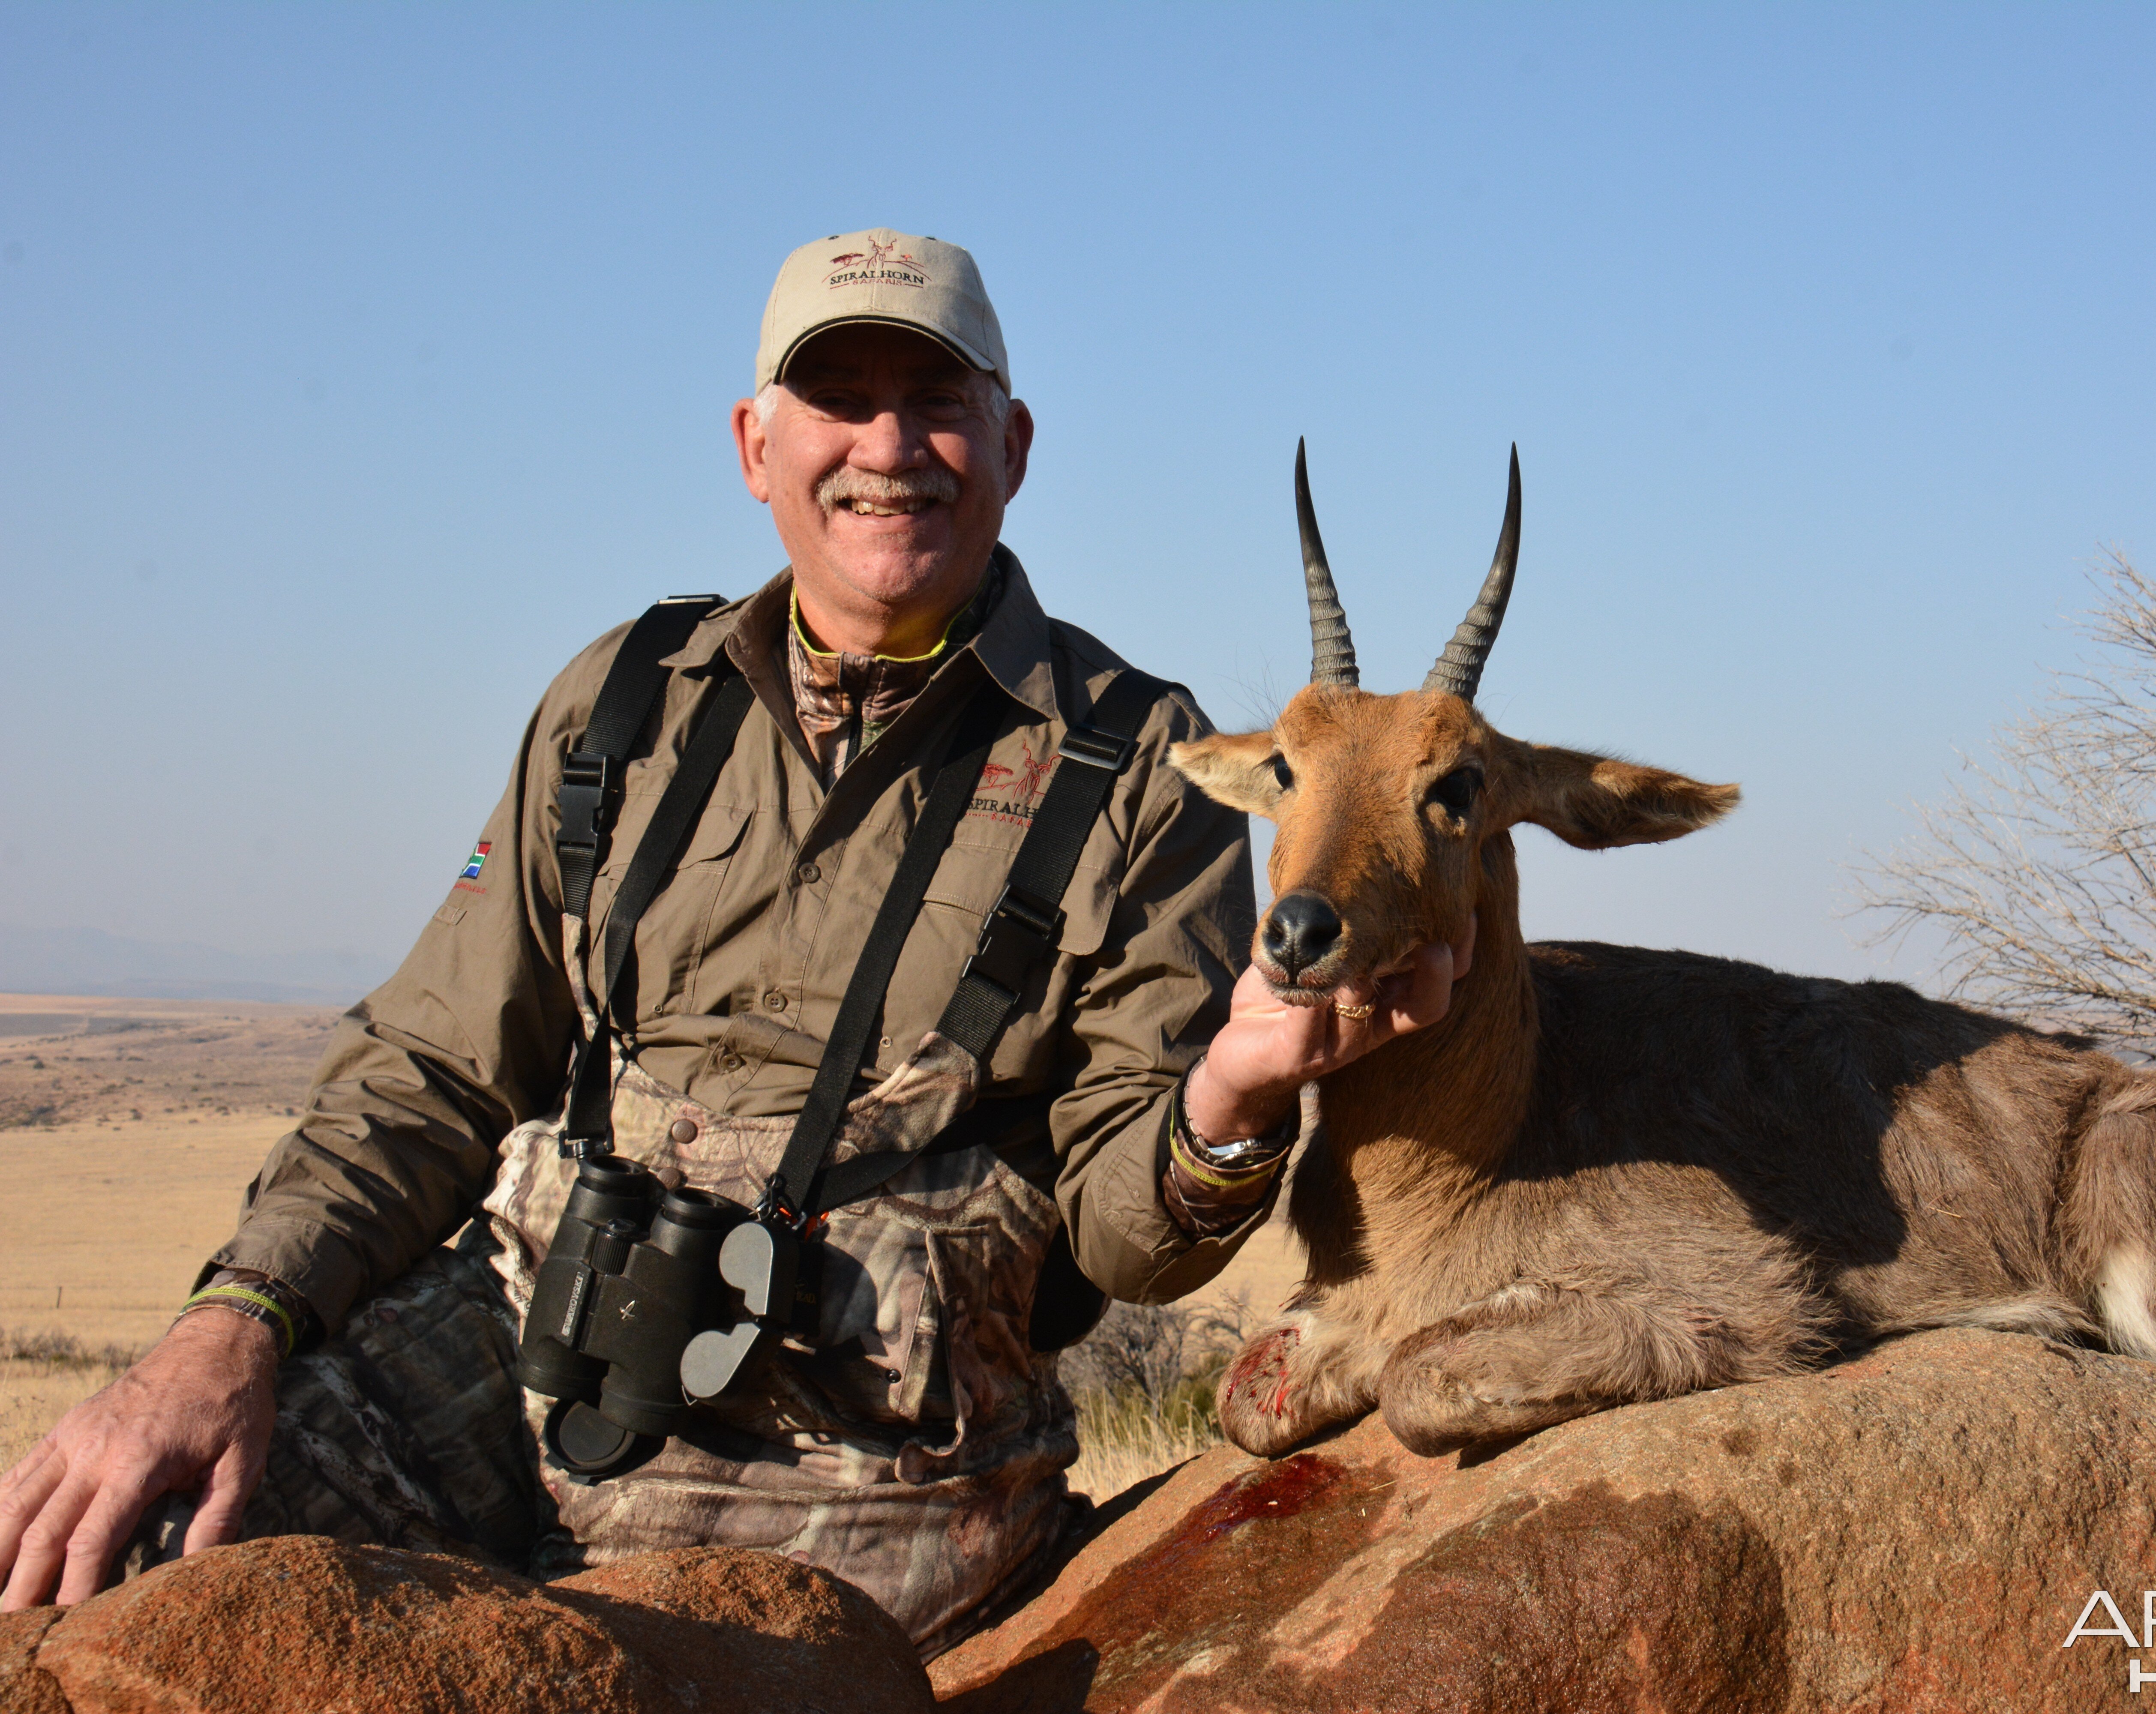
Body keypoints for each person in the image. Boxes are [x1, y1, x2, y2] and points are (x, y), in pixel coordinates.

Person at [0, 229, 1466, 1652]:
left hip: (868, 1458)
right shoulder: (623, 701)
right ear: (756, 447)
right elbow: (431, 1069)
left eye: (936, 403)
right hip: (533, 1357)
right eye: (840, 400)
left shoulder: (1143, 763)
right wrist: (231, 1324)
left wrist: (1232, 1101)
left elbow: (1122, 1243)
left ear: (1014, 445)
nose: (886, 448)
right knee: (120, 1562)